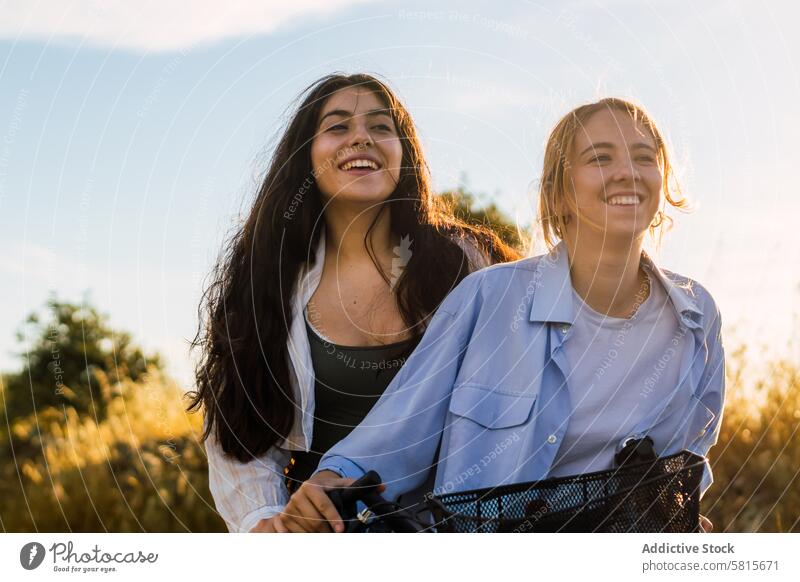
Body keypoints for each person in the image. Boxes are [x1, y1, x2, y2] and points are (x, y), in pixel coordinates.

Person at [284, 97, 725, 533]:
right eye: (600, 157)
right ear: (560, 191)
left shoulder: (696, 319)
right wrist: (328, 481)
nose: (627, 171)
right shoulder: (488, 298)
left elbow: (686, 470)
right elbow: (399, 431)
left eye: (643, 157)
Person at [187, 73, 519, 533]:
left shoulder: (466, 263)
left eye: (381, 127)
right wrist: (262, 520)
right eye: (338, 127)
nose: (361, 137)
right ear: (307, 155)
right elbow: (238, 427)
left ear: (404, 154)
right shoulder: (269, 281)